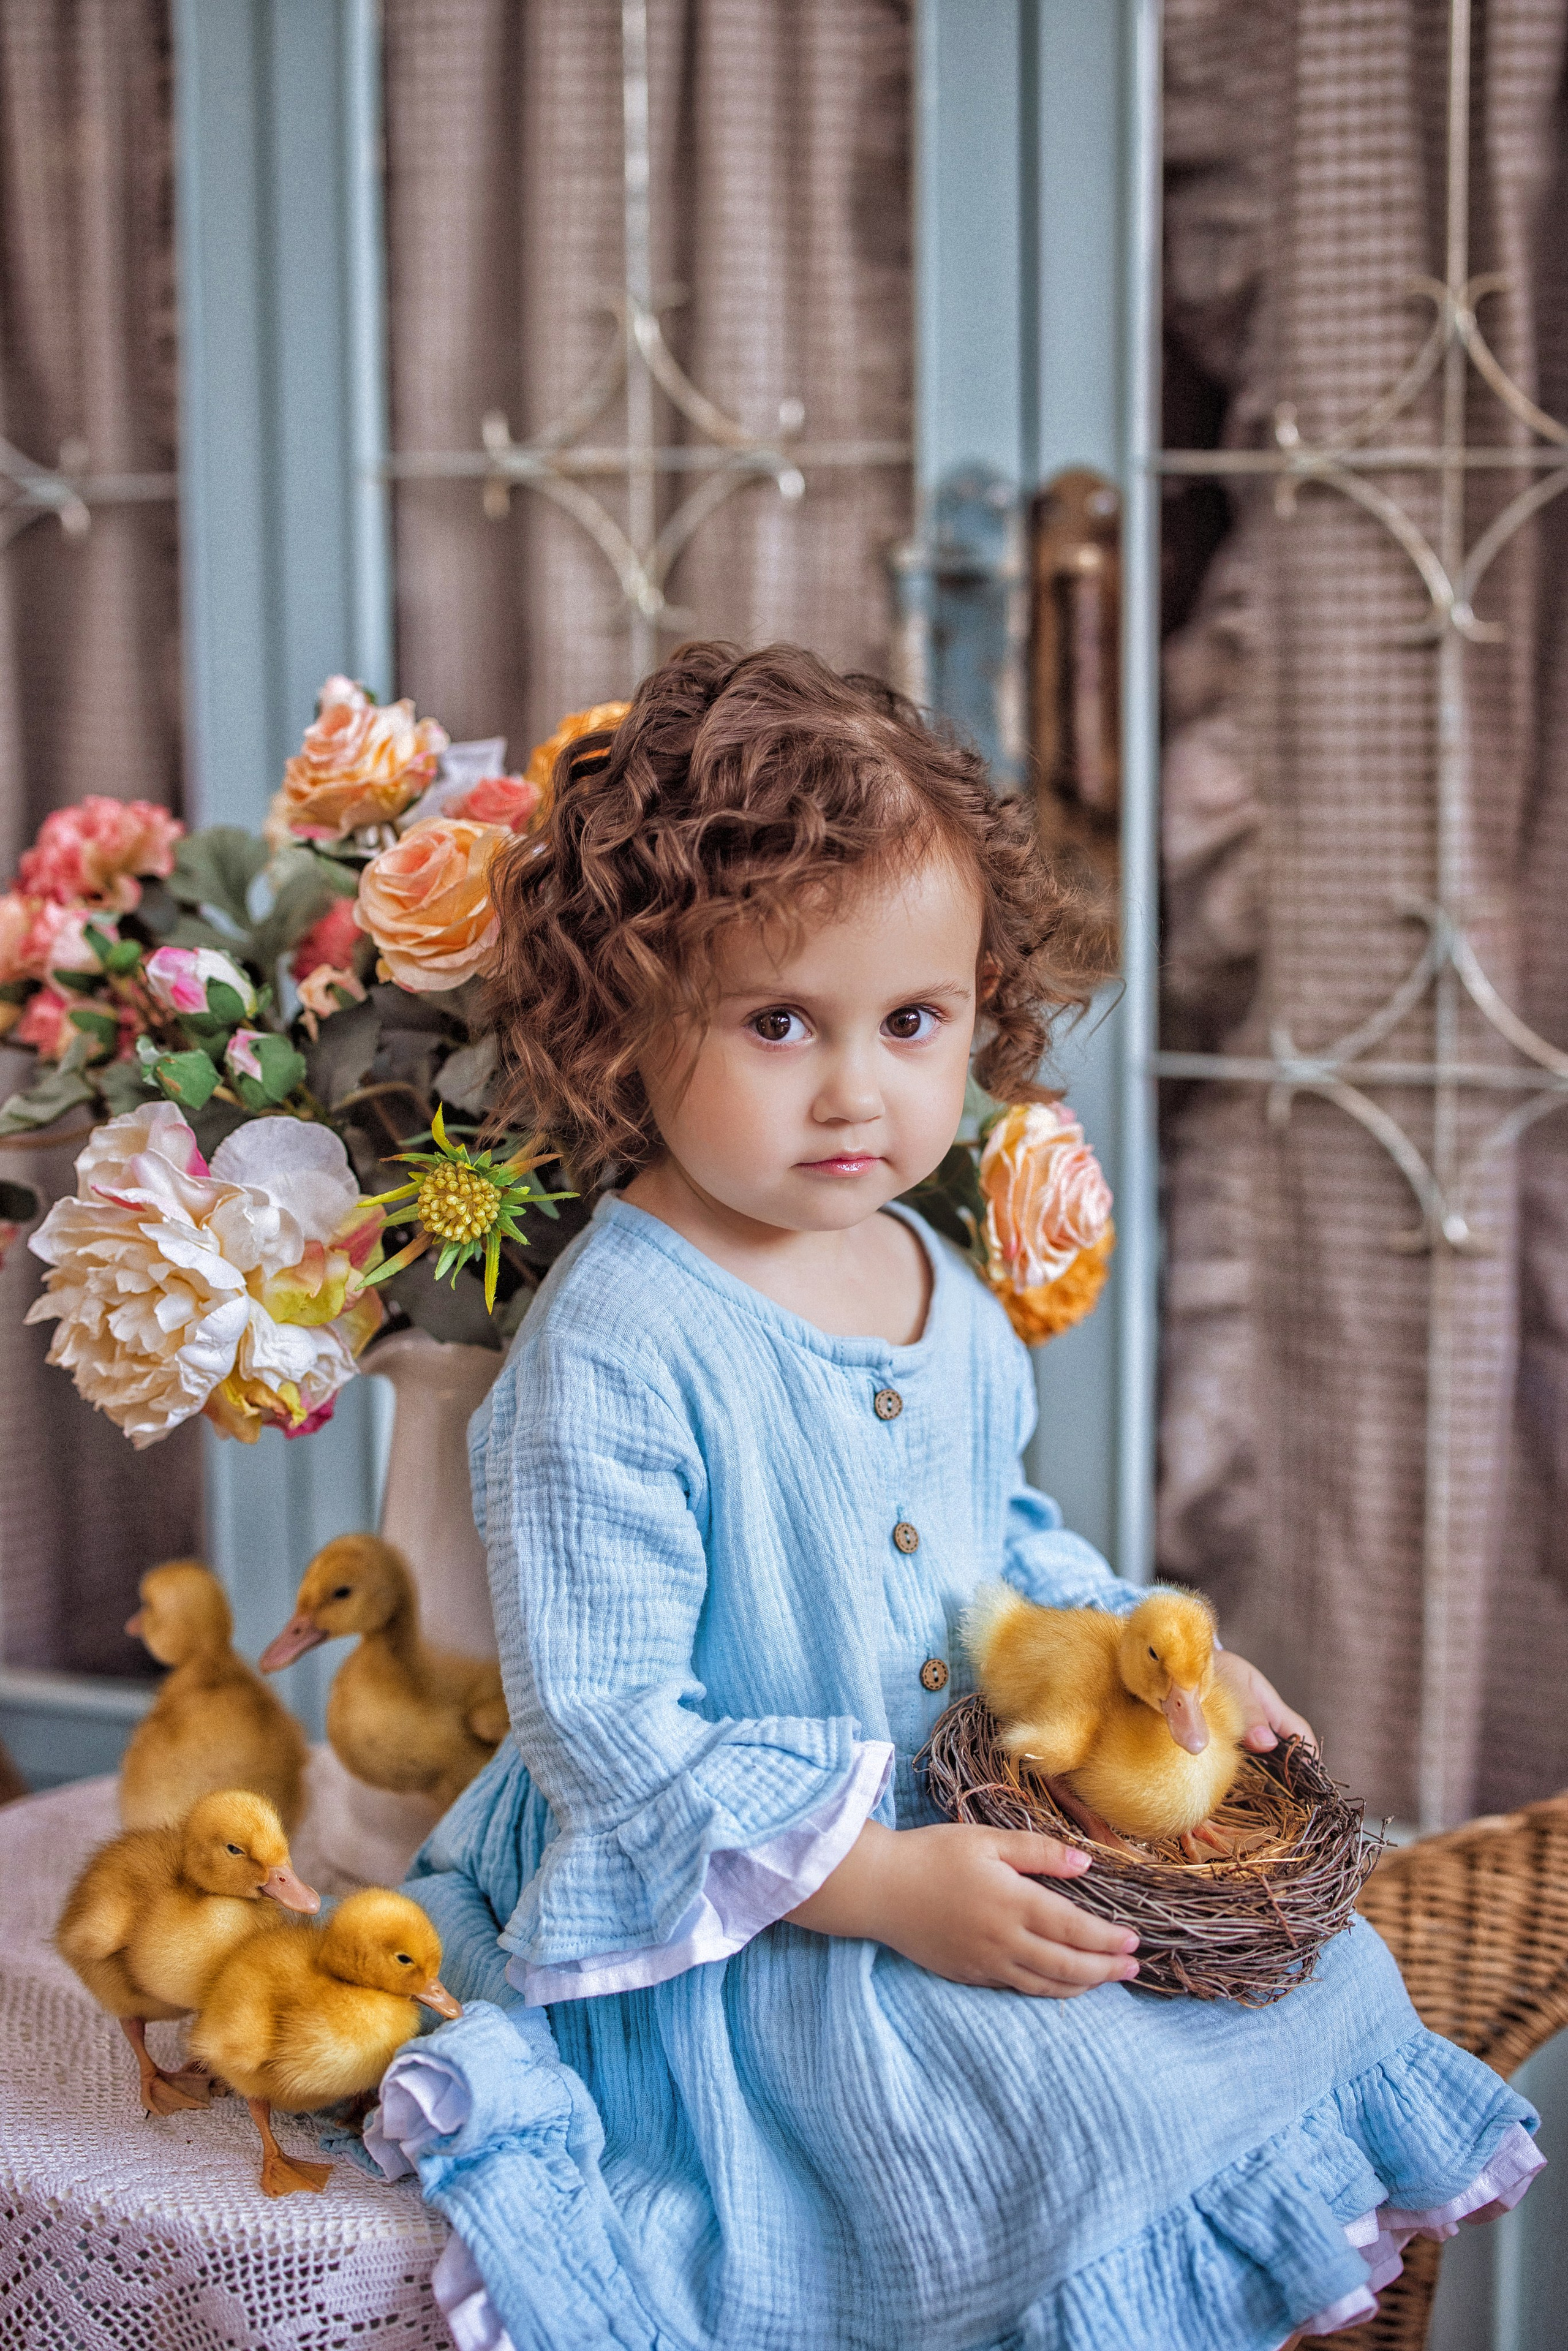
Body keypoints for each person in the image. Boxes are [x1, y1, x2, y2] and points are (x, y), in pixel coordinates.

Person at [367, 643, 1539, 2351]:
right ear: (624, 1026)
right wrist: (880, 1889)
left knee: (1330, 1971)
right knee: (1070, 2114)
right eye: (782, 1022)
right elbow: (603, 1721)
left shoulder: (929, 1270)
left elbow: (996, 1548)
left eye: (912, 1023)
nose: (860, 1090)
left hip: (967, 1811)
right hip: (744, 1905)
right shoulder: (614, 1343)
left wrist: (1142, 1654)